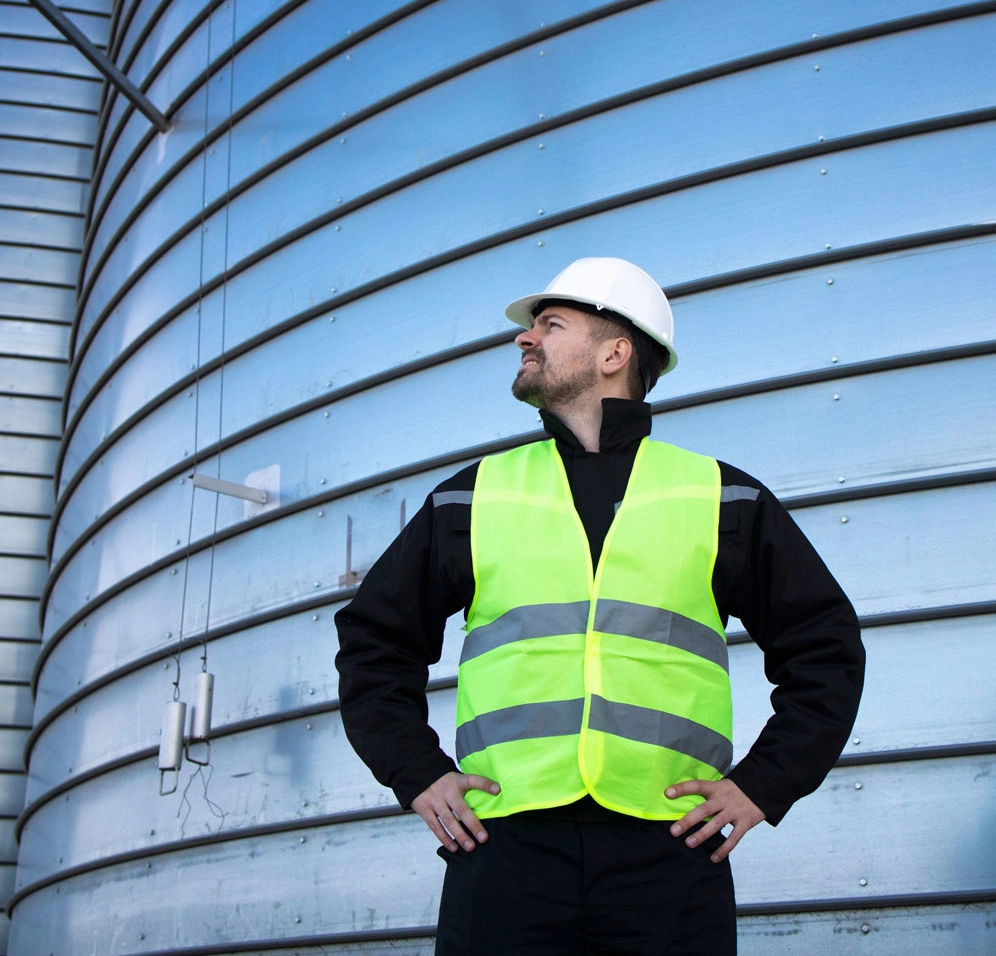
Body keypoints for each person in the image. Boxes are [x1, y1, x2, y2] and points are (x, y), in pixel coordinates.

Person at [335, 256, 865, 955]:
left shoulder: (720, 498)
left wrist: (763, 785)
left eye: (550, 325)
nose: (526, 339)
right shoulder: (473, 496)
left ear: (616, 352)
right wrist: (418, 772)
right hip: (506, 852)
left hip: (669, 855)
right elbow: (373, 641)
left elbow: (826, 649)